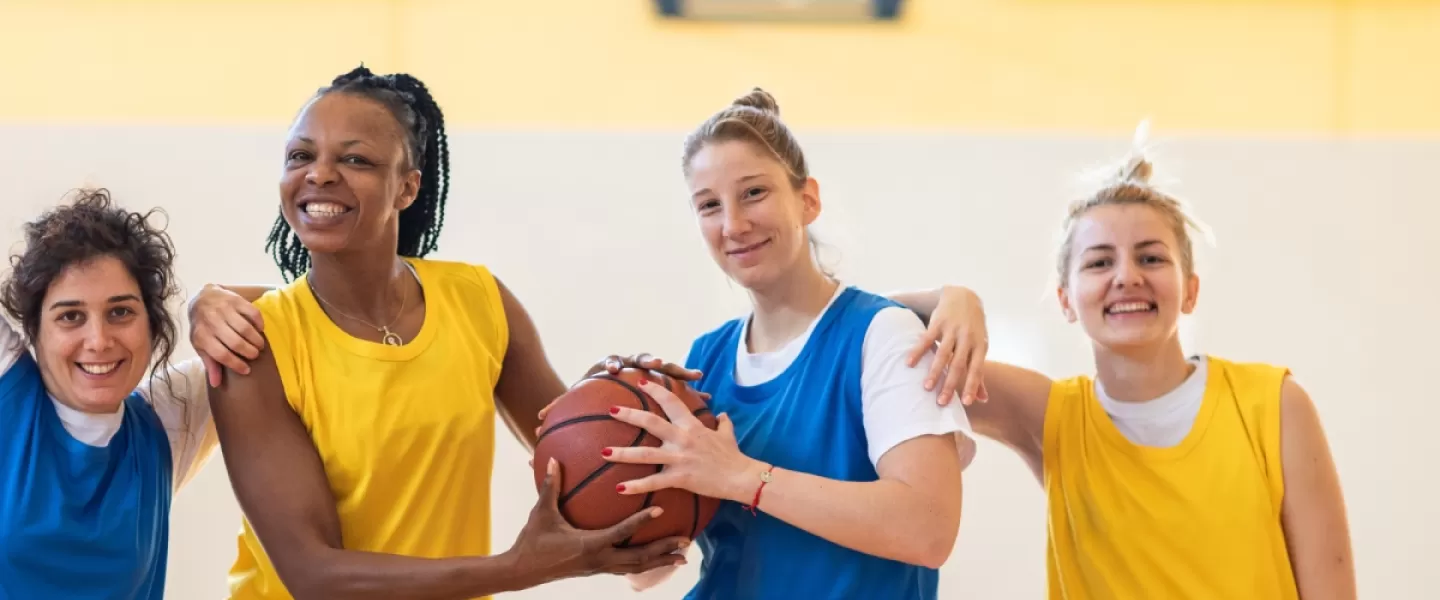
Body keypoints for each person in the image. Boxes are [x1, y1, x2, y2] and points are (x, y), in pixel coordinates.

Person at [199, 66, 690, 600]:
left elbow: (575, 464)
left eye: (354, 158)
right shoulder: (251, 343)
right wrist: (522, 567)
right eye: (300, 155)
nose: (319, 174)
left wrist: (614, 405)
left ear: (407, 187)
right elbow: (316, 576)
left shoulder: (478, 300)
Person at [895, 135, 1357, 599]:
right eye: (1099, 262)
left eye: (1151, 257)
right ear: (1066, 300)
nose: (1126, 276)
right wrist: (951, 298)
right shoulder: (1049, 415)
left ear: (1191, 290)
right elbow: (862, 336)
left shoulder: (1273, 403)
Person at [593, 88, 975, 600]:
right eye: (709, 206)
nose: (733, 224)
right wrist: (605, 476)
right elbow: (648, 571)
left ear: (807, 199)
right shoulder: (705, 358)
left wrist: (743, 477)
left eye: (754, 193)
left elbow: (926, 529)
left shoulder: (883, 334)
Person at [0, 189, 274, 598]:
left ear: (152, 323)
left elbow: (312, 312)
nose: (98, 340)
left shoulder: (168, 417)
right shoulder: (8, 387)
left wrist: (208, 300)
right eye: (70, 316)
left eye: (121, 312)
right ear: (34, 330)